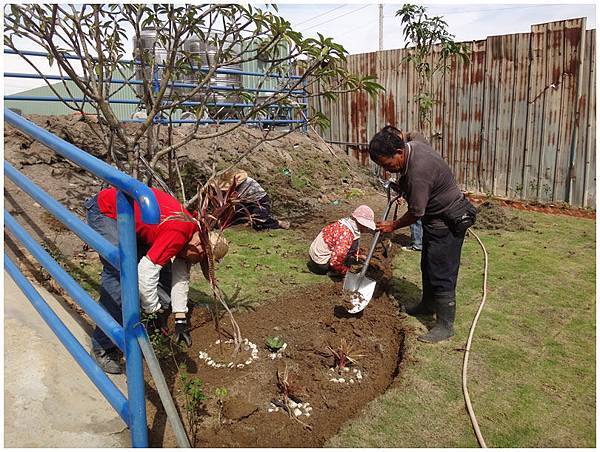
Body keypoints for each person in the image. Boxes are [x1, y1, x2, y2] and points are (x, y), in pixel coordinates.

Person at [84, 187, 229, 373]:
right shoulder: (180, 232)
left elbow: (180, 279)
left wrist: (180, 320)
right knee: (122, 275)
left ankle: (149, 326)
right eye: (202, 258)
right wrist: (152, 308)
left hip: (138, 223)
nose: (199, 262)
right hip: (108, 211)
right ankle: (103, 347)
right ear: (201, 247)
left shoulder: (193, 234)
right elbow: (145, 272)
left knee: (164, 279)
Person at [368, 126, 476, 343]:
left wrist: (393, 225)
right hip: (435, 220)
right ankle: (427, 304)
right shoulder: (413, 147)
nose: (387, 170)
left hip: (448, 221)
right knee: (428, 264)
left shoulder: (419, 170)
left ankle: (445, 326)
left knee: (442, 272)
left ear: (399, 152)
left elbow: (417, 211)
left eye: (388, 164)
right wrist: (402, 186)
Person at [308, 205, 376, 275]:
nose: (366, 229)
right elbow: (335, 262)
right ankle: (332, 271)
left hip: (313, 258)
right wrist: (346, 271)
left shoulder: (345, 223)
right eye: (366, 226)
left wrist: (361, 256)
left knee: (351, 248)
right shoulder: (346, 235)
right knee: (347, 255)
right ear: (360, 223)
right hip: (321, 264)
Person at [213, 169, 290, 230]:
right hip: (245, 202)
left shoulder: (245, 183)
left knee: (259, 221)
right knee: (235, 219)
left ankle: (278, 223)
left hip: (259, 201)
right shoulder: (235, 186)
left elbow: (235, 200)